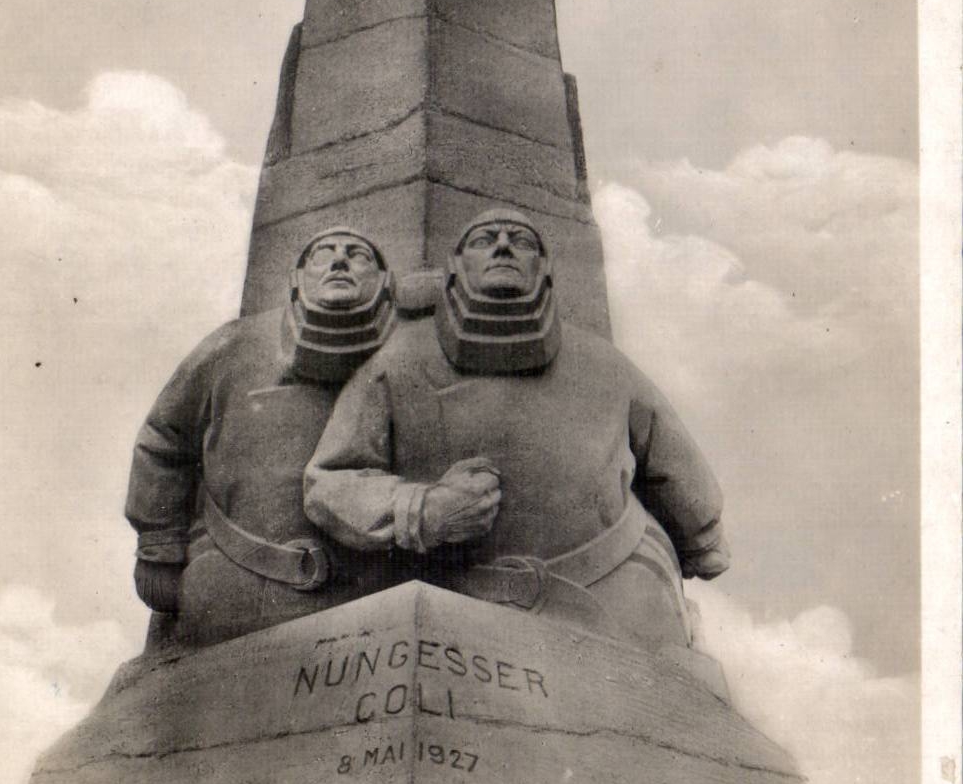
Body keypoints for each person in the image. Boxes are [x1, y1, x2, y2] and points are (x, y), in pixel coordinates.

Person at [303, 211, 728, 649]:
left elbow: (675, 463)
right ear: (454, 267)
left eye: (521, 241)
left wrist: (703, 536)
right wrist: (420, 510)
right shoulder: (399, 362)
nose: (503, 246)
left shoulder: (604, 365)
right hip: (460, 617)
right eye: (485, 239)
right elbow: (330, 480)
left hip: (616, 591)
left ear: (545, 269)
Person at [125, 229, 400, 648]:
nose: (340, 261)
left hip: (365, 607)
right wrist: (158, 546)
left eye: (358, 255)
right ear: (296, 277)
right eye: (324, 253)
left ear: (383, 280)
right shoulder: (232, 345)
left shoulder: (403, 354)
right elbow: (164, 438)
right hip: (228, 586)